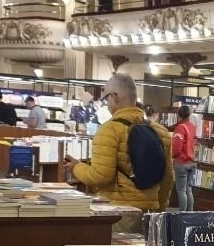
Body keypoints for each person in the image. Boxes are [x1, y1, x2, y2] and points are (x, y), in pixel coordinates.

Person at [63, 74, 173, 212]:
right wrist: (159, 209)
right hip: (151, 211)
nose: (107, 103)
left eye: (106, 98)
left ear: (113, 96)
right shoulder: (161, 132)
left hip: (119, 211)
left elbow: (100, 175)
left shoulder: (109, 130)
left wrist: (76, 167)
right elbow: (167, 179)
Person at [171, 104, 196, 211]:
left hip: (182, 162)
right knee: (188, 190)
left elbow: (177, 147)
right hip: (192, 162)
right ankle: (190, 213)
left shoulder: (180, 127)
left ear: (178, 115)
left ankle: (182, 215)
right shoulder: (192, 126)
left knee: (181, 191)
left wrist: (173, 156)